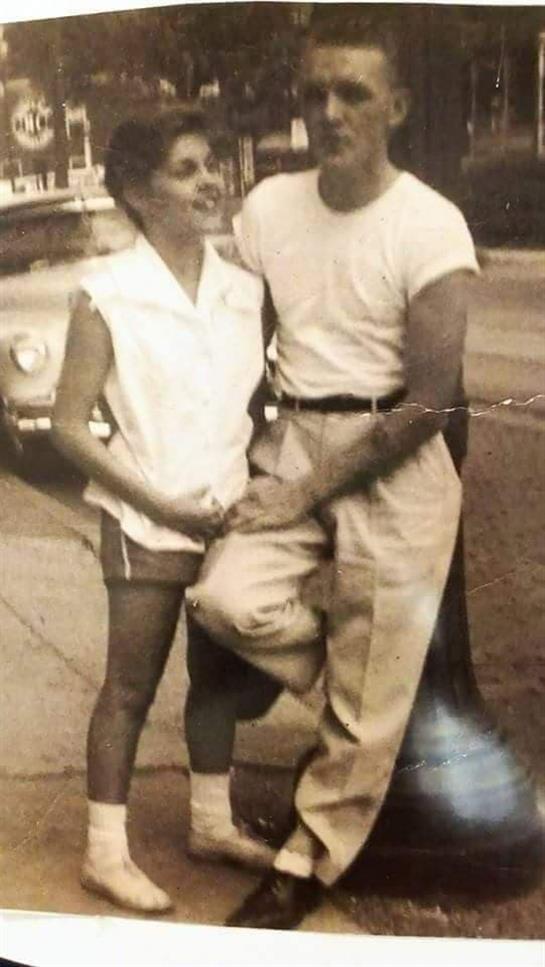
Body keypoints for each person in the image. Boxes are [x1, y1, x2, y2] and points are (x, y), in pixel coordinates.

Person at [187, 12, 480, 930]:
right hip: (295, 443)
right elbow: (237, 331)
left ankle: (304, 863)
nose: (329, 111)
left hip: (393, 457)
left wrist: (306, 490)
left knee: (365, 690)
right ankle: (364, 697)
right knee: (226, 600)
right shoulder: (270, 204)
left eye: (353, 92)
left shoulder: (431, 226)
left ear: (393, 106)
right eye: (315, 92)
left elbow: (426, 404)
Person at [52, 108, 280, 916]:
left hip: (227, 521)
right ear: (139, 195)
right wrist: (156, 502)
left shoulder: (244, 291)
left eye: (209, 162)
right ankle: (103, 854)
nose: (209, 180)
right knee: (129, 686)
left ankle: (210, 823)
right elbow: (69, 424)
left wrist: (256, 483)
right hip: (145, 519)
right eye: (185, 169)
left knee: (217, 681)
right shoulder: (107, 294)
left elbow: (264, 408)